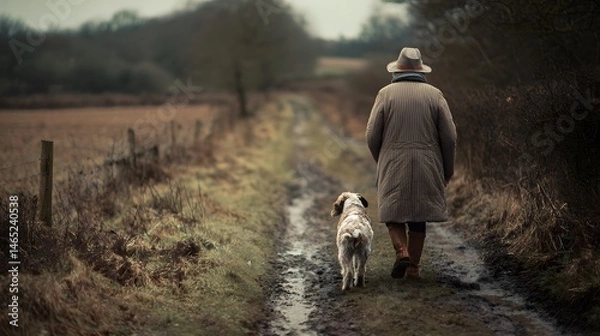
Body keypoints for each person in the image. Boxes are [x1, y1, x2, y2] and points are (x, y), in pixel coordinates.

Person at [365, 47, 457, 279]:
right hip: (428, 162)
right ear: (421, 70)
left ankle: (402, 251)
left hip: (393, 161)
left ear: (397, 70)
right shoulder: (435, 94)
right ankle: (413, 269)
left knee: (392, 212)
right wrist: (447, 169)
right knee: (418, 215)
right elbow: (450, 137)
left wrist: (382, 158)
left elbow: (371, 135)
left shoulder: (385, 94)